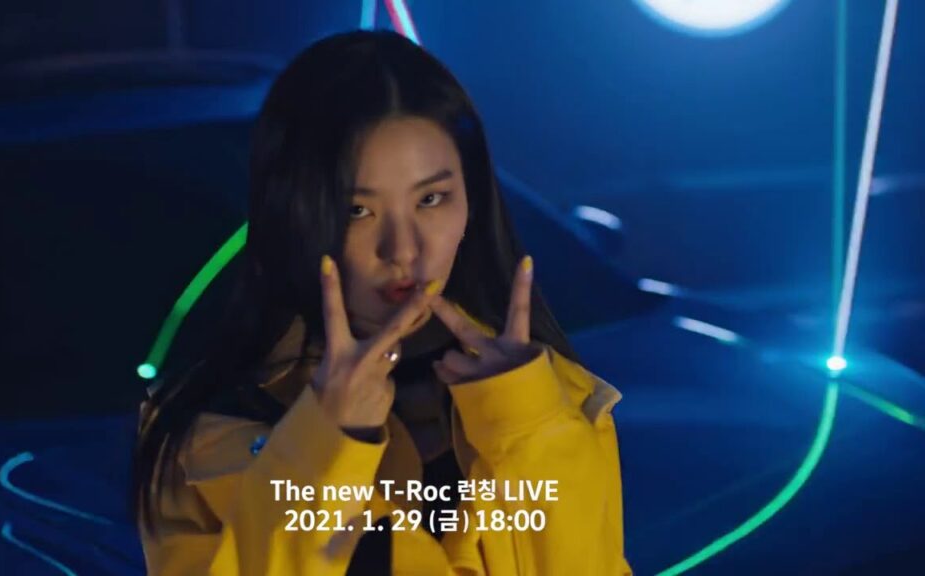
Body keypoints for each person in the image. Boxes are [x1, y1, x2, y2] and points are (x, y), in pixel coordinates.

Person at [132, 29, 631, 575]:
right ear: (294, 213)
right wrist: (325, 442)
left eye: (431, 199)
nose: (404, 249)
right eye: (357, 210)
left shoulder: (554, 398)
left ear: (472, 200)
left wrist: (526, 426)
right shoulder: (204, 430)